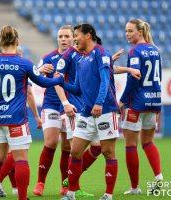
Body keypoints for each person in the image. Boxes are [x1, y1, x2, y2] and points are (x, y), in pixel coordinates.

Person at [0, 25, 64, 200]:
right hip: (16, 119)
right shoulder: (24, 63)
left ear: (0, 41)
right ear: (17, 42)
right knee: (21, 159)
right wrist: (59, 78)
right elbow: (42, 83)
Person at [59, 23, 119, 200]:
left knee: (108, 152)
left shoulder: (101, 53)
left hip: (106, 110)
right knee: (75, 152)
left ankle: (108, 195)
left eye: (76, 35)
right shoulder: (81, 59)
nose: (74, 39)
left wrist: (99, 102)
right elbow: (77, 88)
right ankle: (70, 194)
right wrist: (59, 82)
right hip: (86, 112)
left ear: (88, 35)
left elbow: (105, 81)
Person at [0, 46, 43, 198]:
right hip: (15, 119)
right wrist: (36, 116)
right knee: (20, 158)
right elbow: (29, 92)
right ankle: (19, 194)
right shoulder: (22, 67)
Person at [119, 18, 163, 195]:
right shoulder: (155, 49)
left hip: (136, 103)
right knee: (148, 142)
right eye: (126, 31)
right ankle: (158, 176)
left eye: (130, 31)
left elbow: (133, 77)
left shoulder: (135, 51)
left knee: (131, 145)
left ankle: (135, 187)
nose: (127, 34)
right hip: (153, 101)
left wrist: (122, 100)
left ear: (140, 32)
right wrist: (157, 106)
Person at [33, 25, 74, 197]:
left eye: (66, 36)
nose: (63, 39)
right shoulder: (49, 58)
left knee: (67, 147)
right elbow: (34, 77)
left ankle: (65, 185)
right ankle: (40, 182)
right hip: (51, 103)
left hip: (71, 105)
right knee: (50, 143)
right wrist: (39, 71)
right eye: (60, 36)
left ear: (73, 38)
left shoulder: (78, 57)